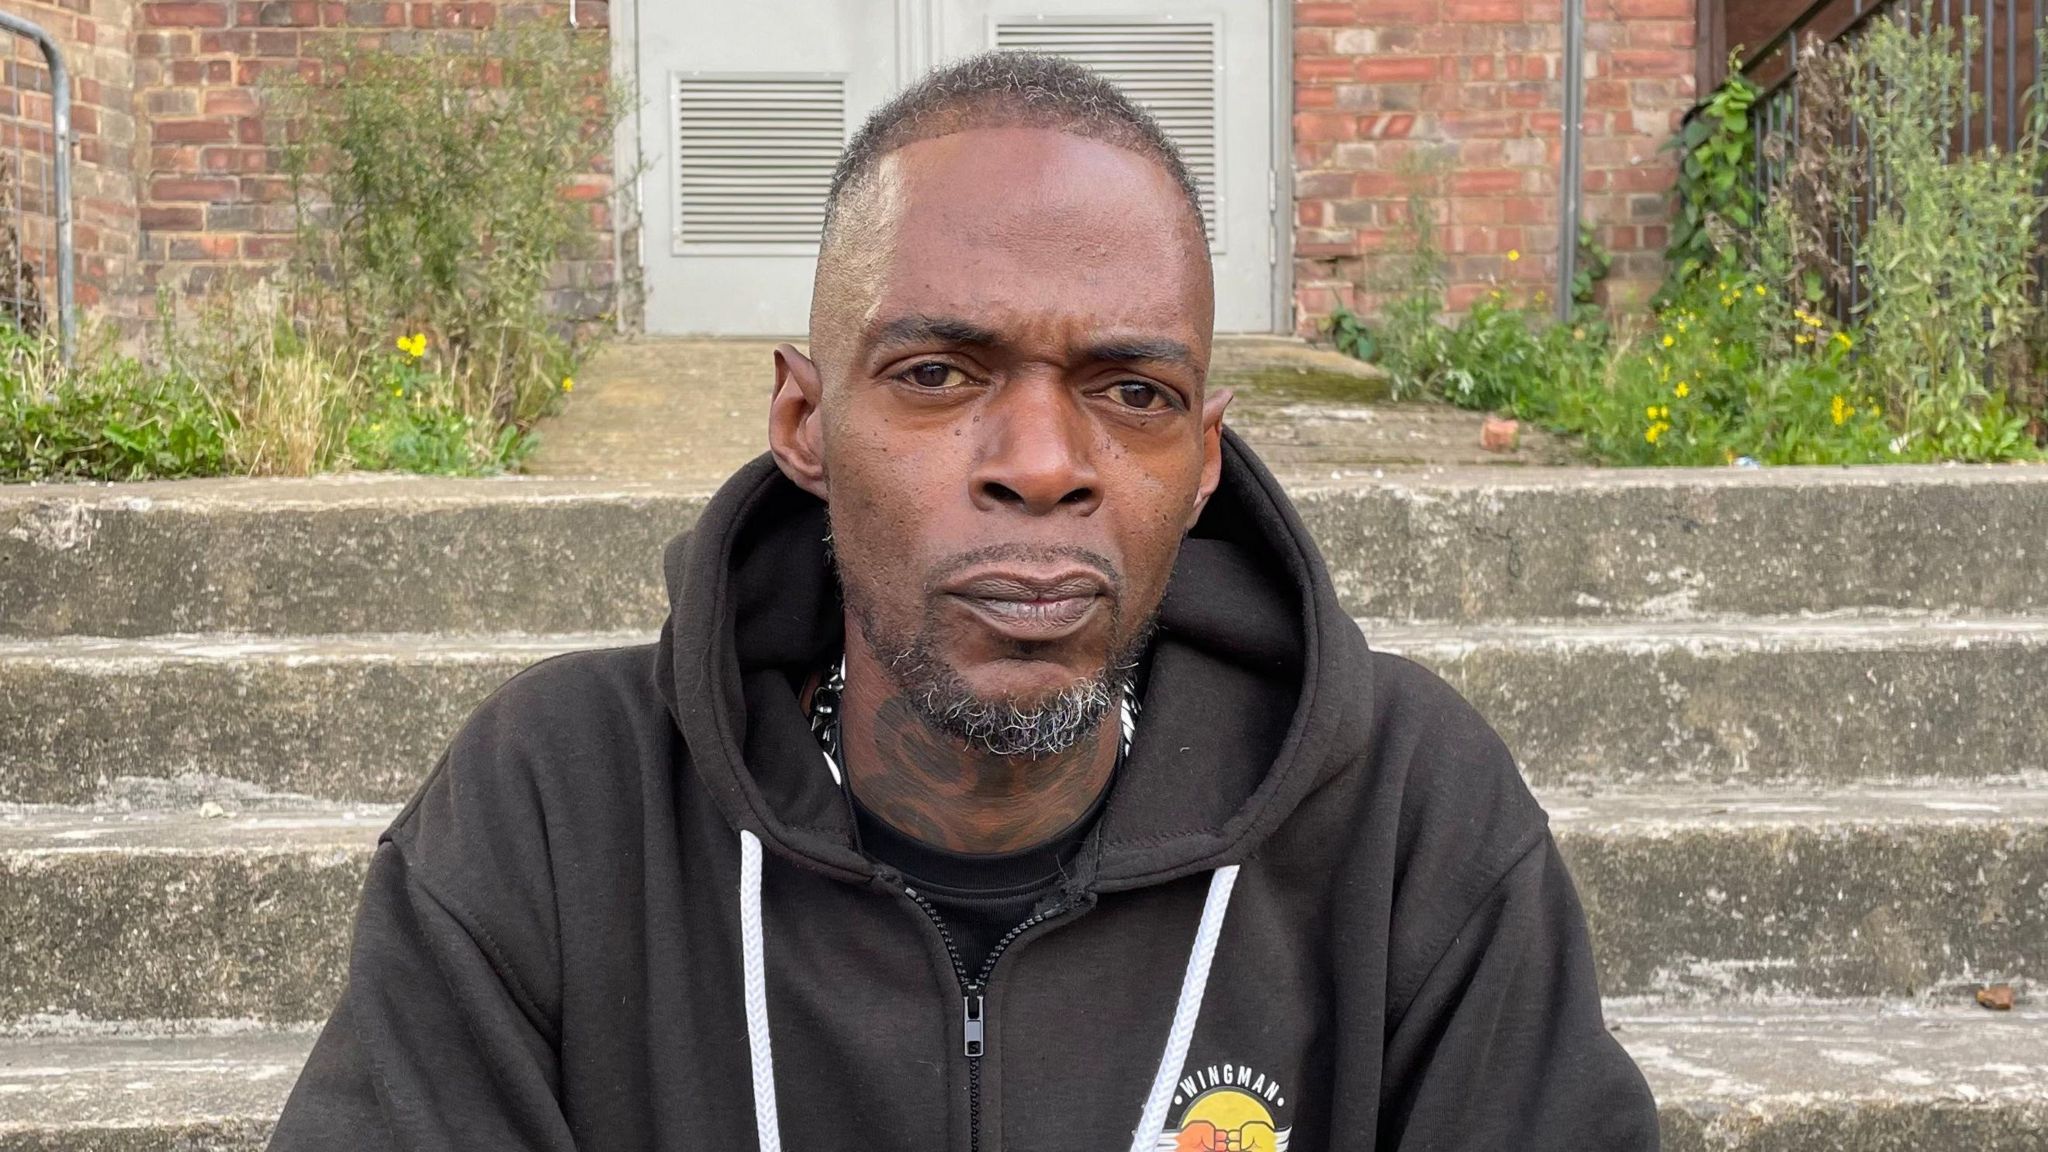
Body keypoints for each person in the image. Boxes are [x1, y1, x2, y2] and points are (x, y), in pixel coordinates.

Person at [269, 52, 1658, 1151]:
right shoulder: (560, 810)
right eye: (938, 374)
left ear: (1203, 464)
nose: (1043, 466)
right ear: (805, 421)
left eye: (1133, 394)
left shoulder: (1406, 820)